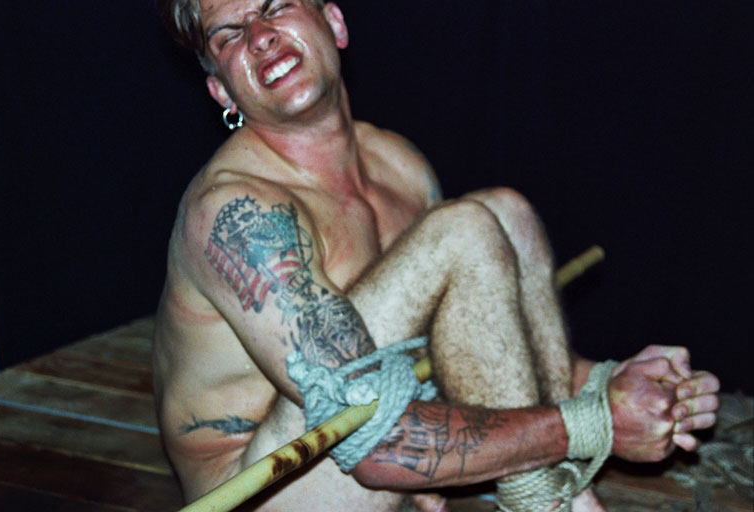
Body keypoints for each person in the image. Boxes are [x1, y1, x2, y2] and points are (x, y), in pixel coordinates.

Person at [152, 1, 720, 510]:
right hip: (263, 490)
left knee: (505, 213)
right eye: (229, 35)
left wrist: (613, 382)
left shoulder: (396, 162)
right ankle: (551, 503)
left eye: (277, 6)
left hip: (366, 433)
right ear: (222, 92)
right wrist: (599, 421)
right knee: (464, 231)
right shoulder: (237, 217)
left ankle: (553, 496)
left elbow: (473, 344)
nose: (260, 36)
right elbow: (379, 445)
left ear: (335, 23)